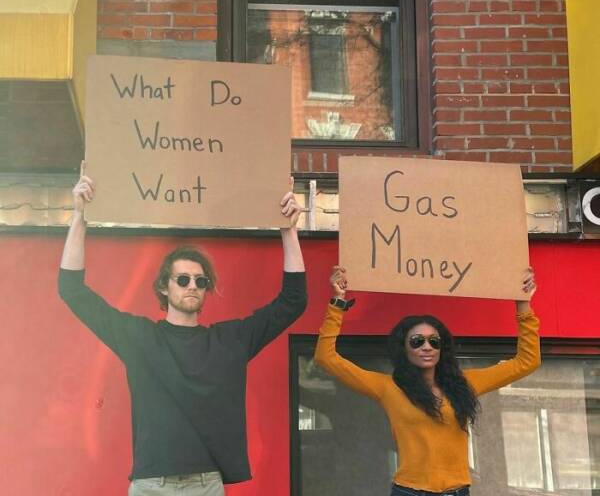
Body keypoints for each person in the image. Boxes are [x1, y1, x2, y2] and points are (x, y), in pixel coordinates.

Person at [59, 172, 306, 496]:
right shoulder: (139, 338)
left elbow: (293, 301)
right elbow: (72, 290)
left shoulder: (228, 341)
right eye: (183, 280)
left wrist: (288, 230)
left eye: (200, 281)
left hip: (206, 485)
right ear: (164, 286)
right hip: (151, 485)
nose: (193, 286)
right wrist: (79, 216)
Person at [315, 265, 540, 496]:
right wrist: (338, 302)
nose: (426, 347)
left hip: (457, 491)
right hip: (410, 492)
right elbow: (326, 358)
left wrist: (523, 304)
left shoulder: (465, 384)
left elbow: (527, 361)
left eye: (434, 341)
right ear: (404, 348)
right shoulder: (388, 388)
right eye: (417, 341)